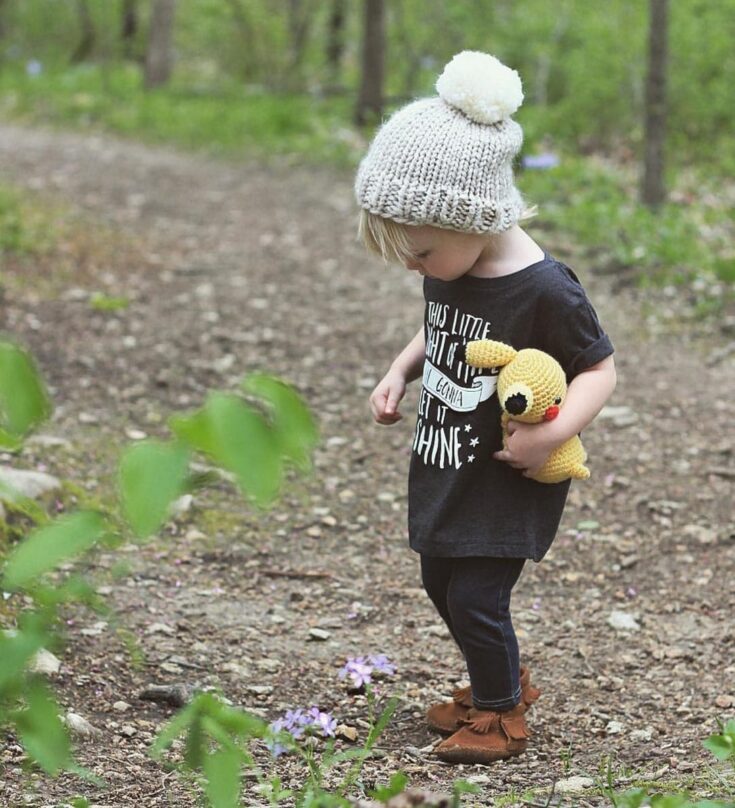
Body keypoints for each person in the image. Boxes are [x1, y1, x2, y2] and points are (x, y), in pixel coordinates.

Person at [354, 51, 617, 765]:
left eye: (419, 253)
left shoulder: (545, 290)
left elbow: (600, 368)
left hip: (507, 472)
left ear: (469, 218)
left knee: (473, 593)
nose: (415, 268)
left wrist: (553, 434)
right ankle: (495, 680)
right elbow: (438, 320)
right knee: (437, 578)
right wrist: (401, 368)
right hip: (447, 462)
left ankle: (501, 713)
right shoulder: (454, 263)